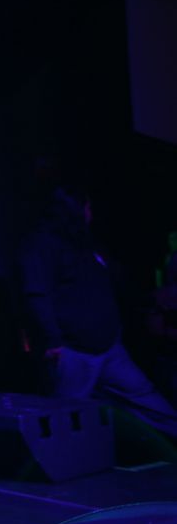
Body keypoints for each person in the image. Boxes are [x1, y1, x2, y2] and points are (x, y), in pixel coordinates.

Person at [20, 186, 177, 439]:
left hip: (109, 348)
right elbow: (37, 294)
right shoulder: (43, 244)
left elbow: (111, 283)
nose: (91, 213)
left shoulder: (84, 244)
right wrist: (53, 341)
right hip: (75, 353)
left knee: (149, 402)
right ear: (74, 209)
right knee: (67, 420)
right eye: (88, 207)